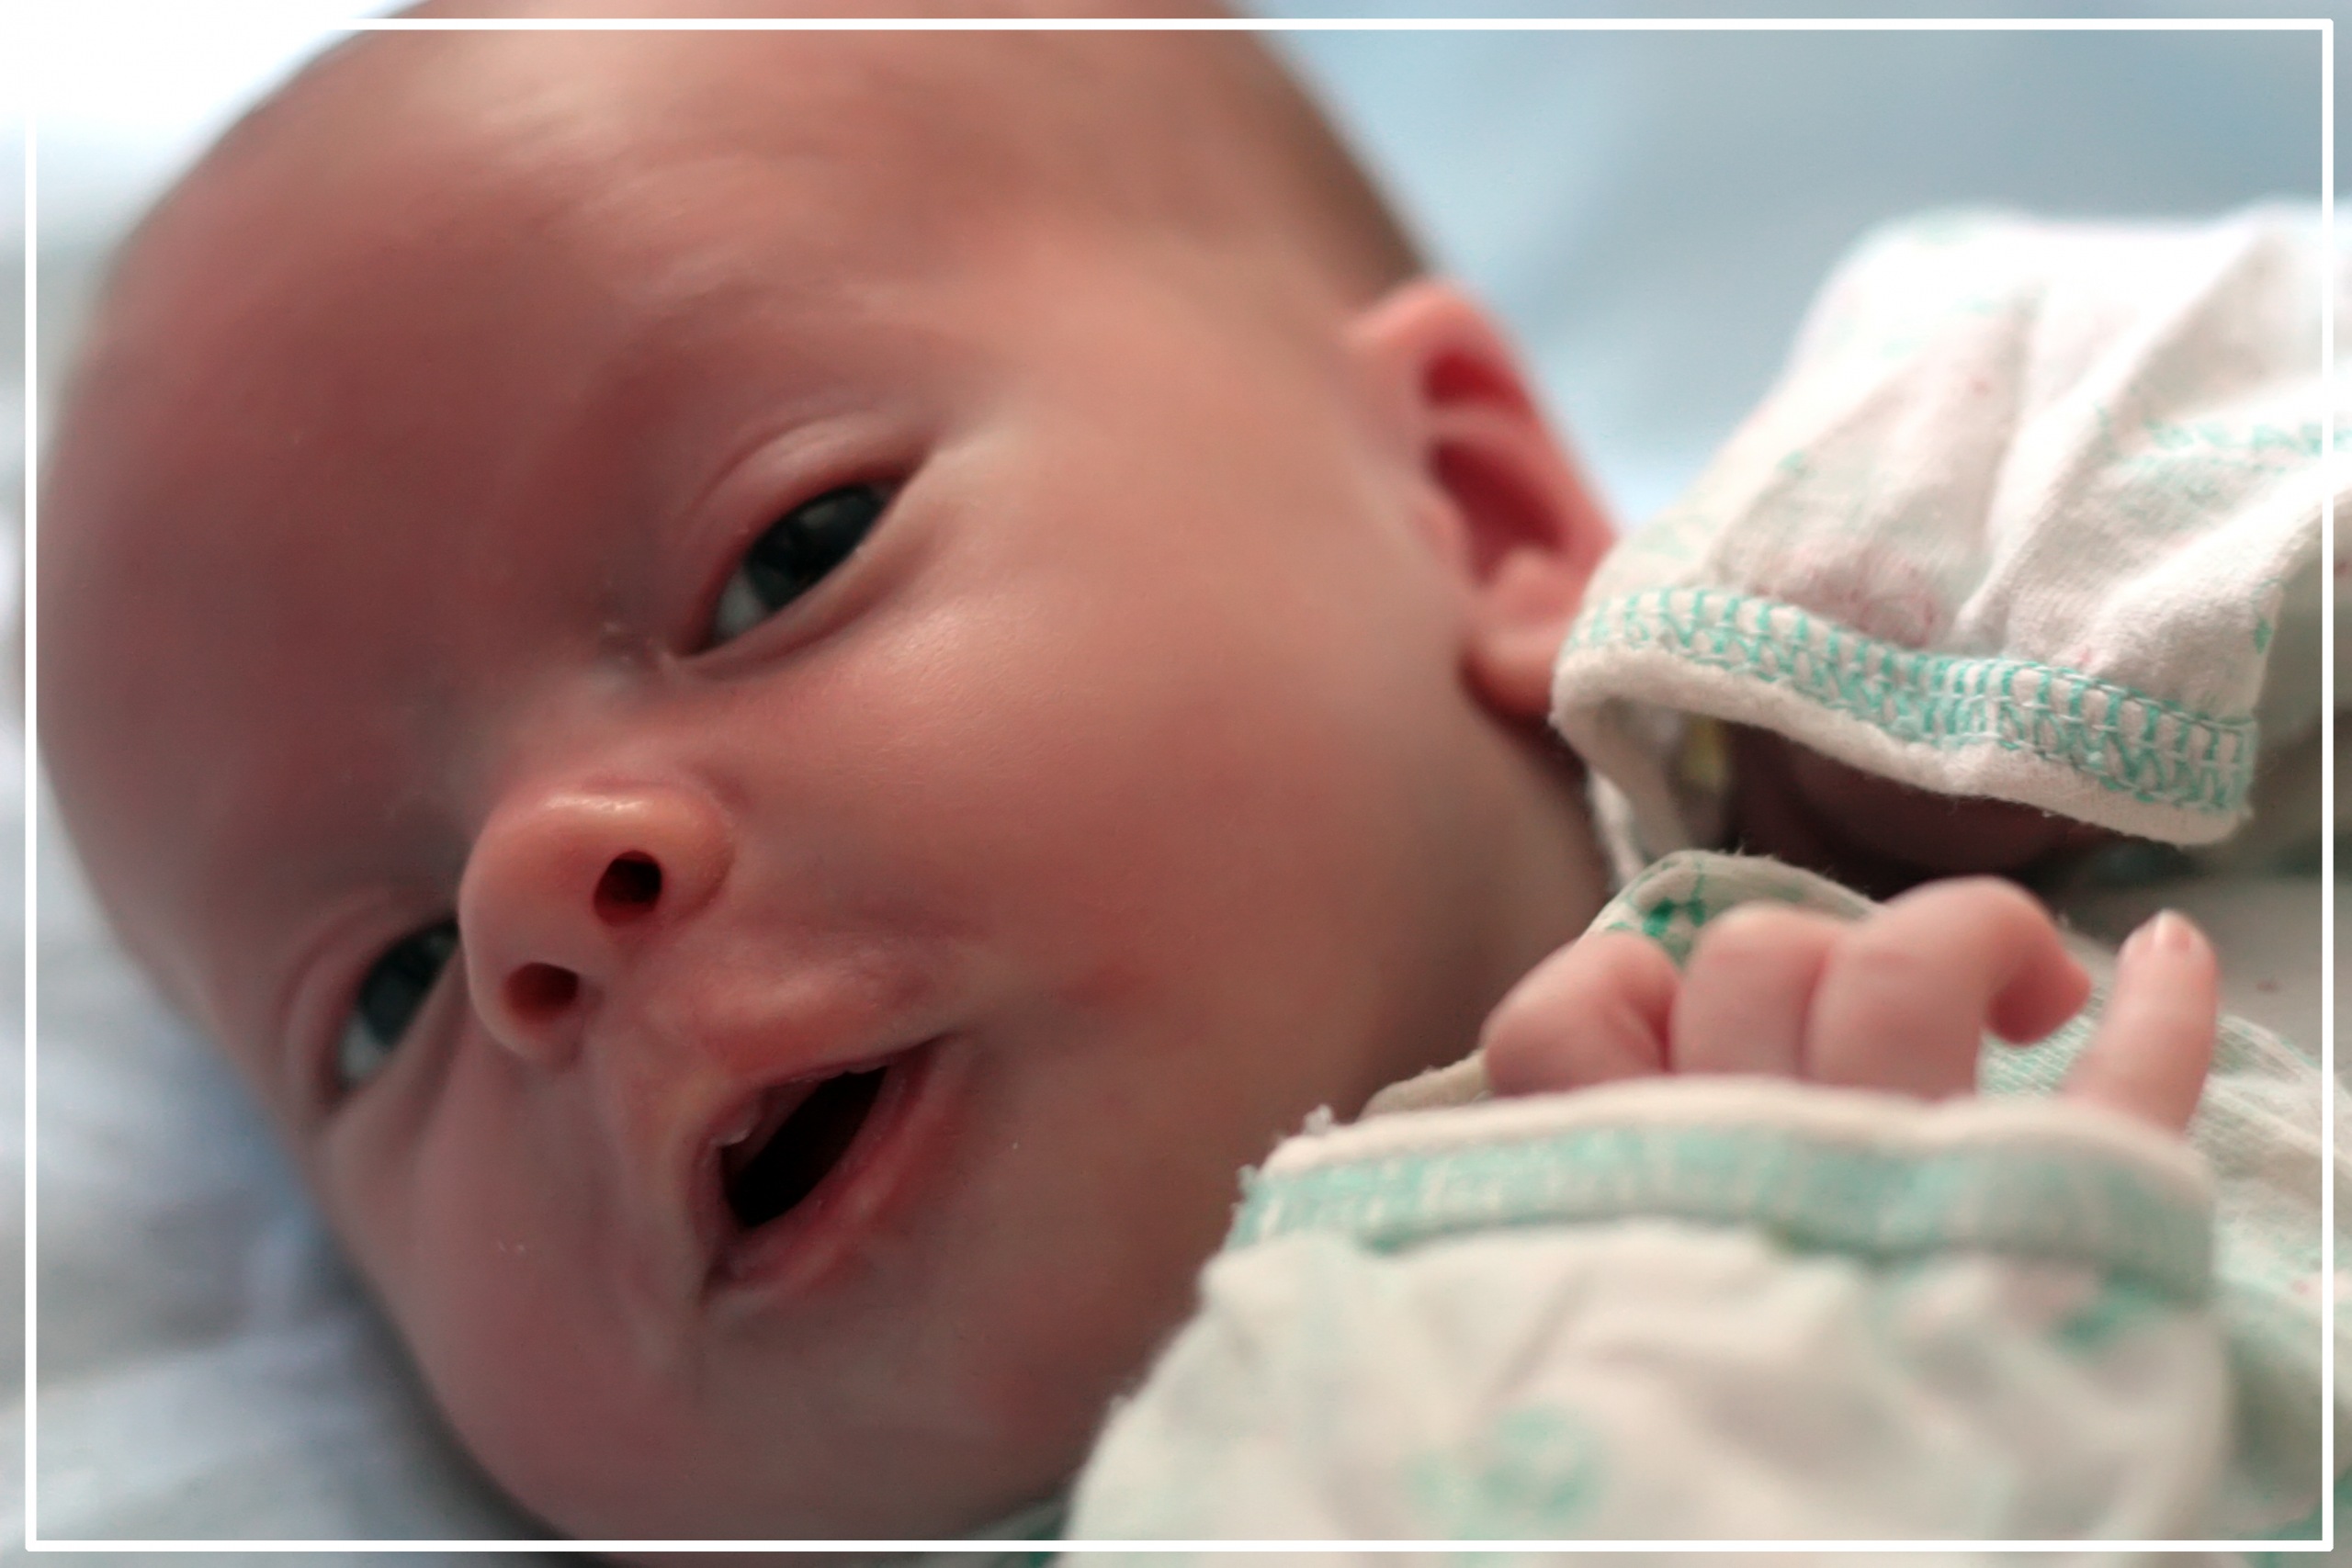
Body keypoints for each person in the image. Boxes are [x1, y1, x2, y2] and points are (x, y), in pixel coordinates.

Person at [36, 0, 2331, 1545]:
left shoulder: (1945, 540)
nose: (531, 897)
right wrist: (1729, 1355)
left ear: (1470, 507)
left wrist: (1972, 658)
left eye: (785, 557)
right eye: (385, 992)